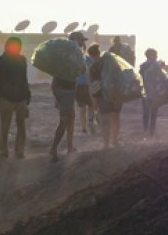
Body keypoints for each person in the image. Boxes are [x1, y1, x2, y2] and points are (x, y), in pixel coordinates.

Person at [0, 37, 31, 158]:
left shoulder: (22, 60)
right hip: (5, 99)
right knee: (5, 127)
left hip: (21, 99)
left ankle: (19, 151)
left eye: (18, 46)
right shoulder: (0, 61)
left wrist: (27, 96)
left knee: (21, 127)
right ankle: (4, 150)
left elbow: (24, 79)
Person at [48, 34, 82, 162]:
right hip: (66, 90)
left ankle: (70, 145)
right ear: (77, 41)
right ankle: (54, 148)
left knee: (71, 116)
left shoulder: (62, 53)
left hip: (59, 87)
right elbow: (80, 70)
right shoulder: (74, 54)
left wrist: (57, 97)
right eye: (81, 41)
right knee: (64, 119)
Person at [88, 44, 122, 148]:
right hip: (115, 93)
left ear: (90, 55)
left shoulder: (92, 68)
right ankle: (115, 140)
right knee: (115, 117)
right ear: (99, 52)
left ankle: (106, 144)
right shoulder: (110, 62)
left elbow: (91, 86)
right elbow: (120, 75)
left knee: (105, 120)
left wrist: (93, 103)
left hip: (101, 96)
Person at [71, 32, 95, 134]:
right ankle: (90, 124)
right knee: (90, 106)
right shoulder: (88, 59)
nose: (83, 43)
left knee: (82, 108)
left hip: (79, 86)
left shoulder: (73, 57)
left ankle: (84, 128)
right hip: (87, 85)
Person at [139, 49, 162, 139]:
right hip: (154, 92)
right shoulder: (156, 65)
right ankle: (151, 132)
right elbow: (159, 78)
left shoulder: (142, 66)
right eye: (155, 55)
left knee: (145, 113)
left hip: (144, 92)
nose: (156, 56)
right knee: (153, 113)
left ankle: (145, 132)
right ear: (151, 55)